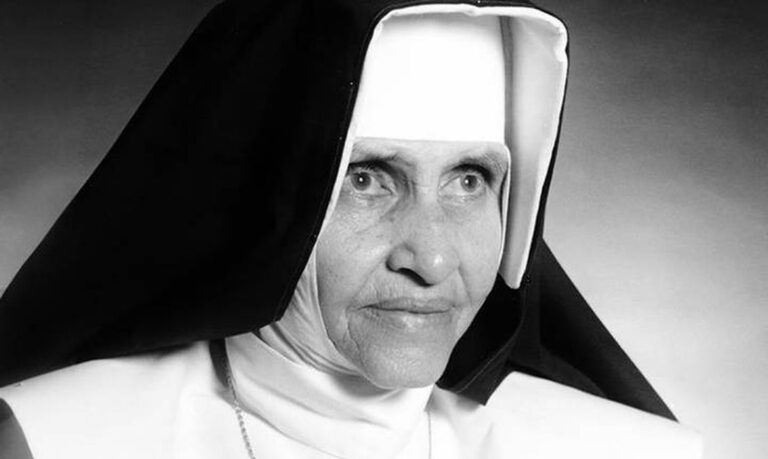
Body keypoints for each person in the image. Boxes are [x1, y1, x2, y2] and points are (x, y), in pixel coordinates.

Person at [0, 0, 702, 457]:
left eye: (469, 180)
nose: (431, 258)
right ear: (264, 200)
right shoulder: (52, 441)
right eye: (365, 180)